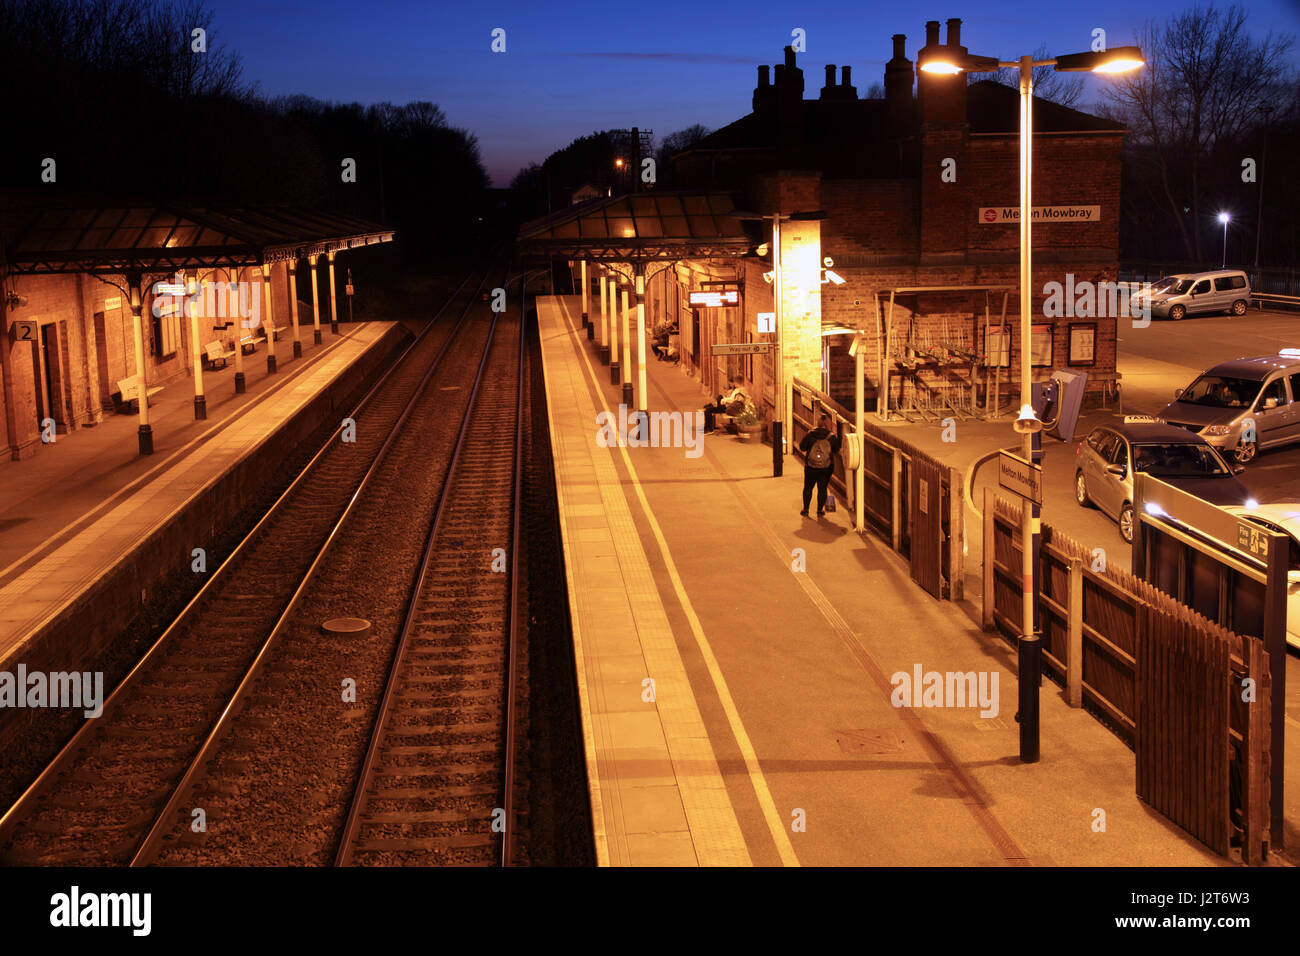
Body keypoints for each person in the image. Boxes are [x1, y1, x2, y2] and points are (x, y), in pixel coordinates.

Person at [799, 413, 842, 517]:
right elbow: (836, 449)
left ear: (818, 423)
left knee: (808, 487)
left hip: (811, 466)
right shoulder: (831, 437)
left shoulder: (811, 434)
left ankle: (806, 509)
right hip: (826, 467)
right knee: (822, 488)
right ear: (828, 424)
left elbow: (802, 447)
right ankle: (819, 510)